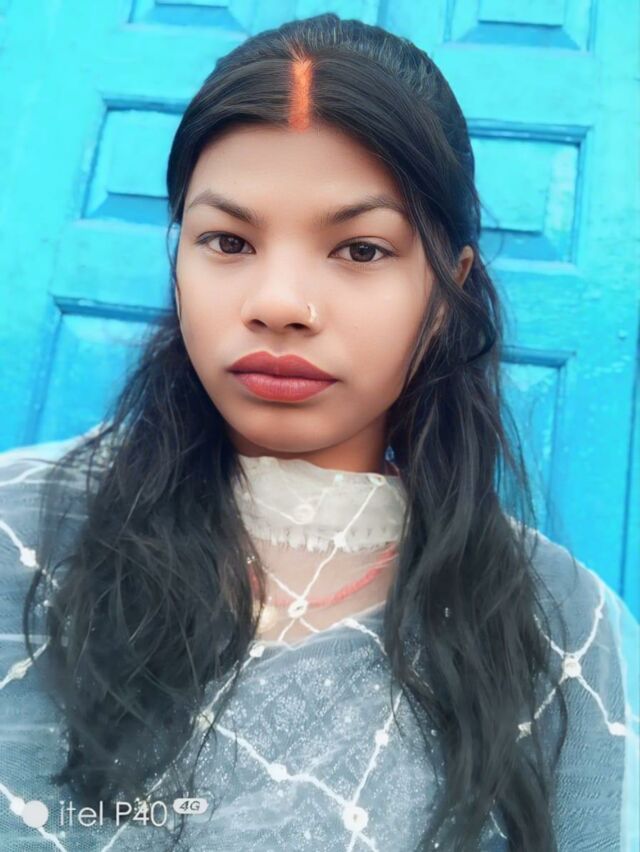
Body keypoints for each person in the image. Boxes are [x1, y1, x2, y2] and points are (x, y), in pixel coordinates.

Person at [0, 12, 637, 852]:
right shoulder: (19, 530)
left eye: (361, 250)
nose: (279, 303)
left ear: (448, 289)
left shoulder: (559, 624)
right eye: (227, 240)